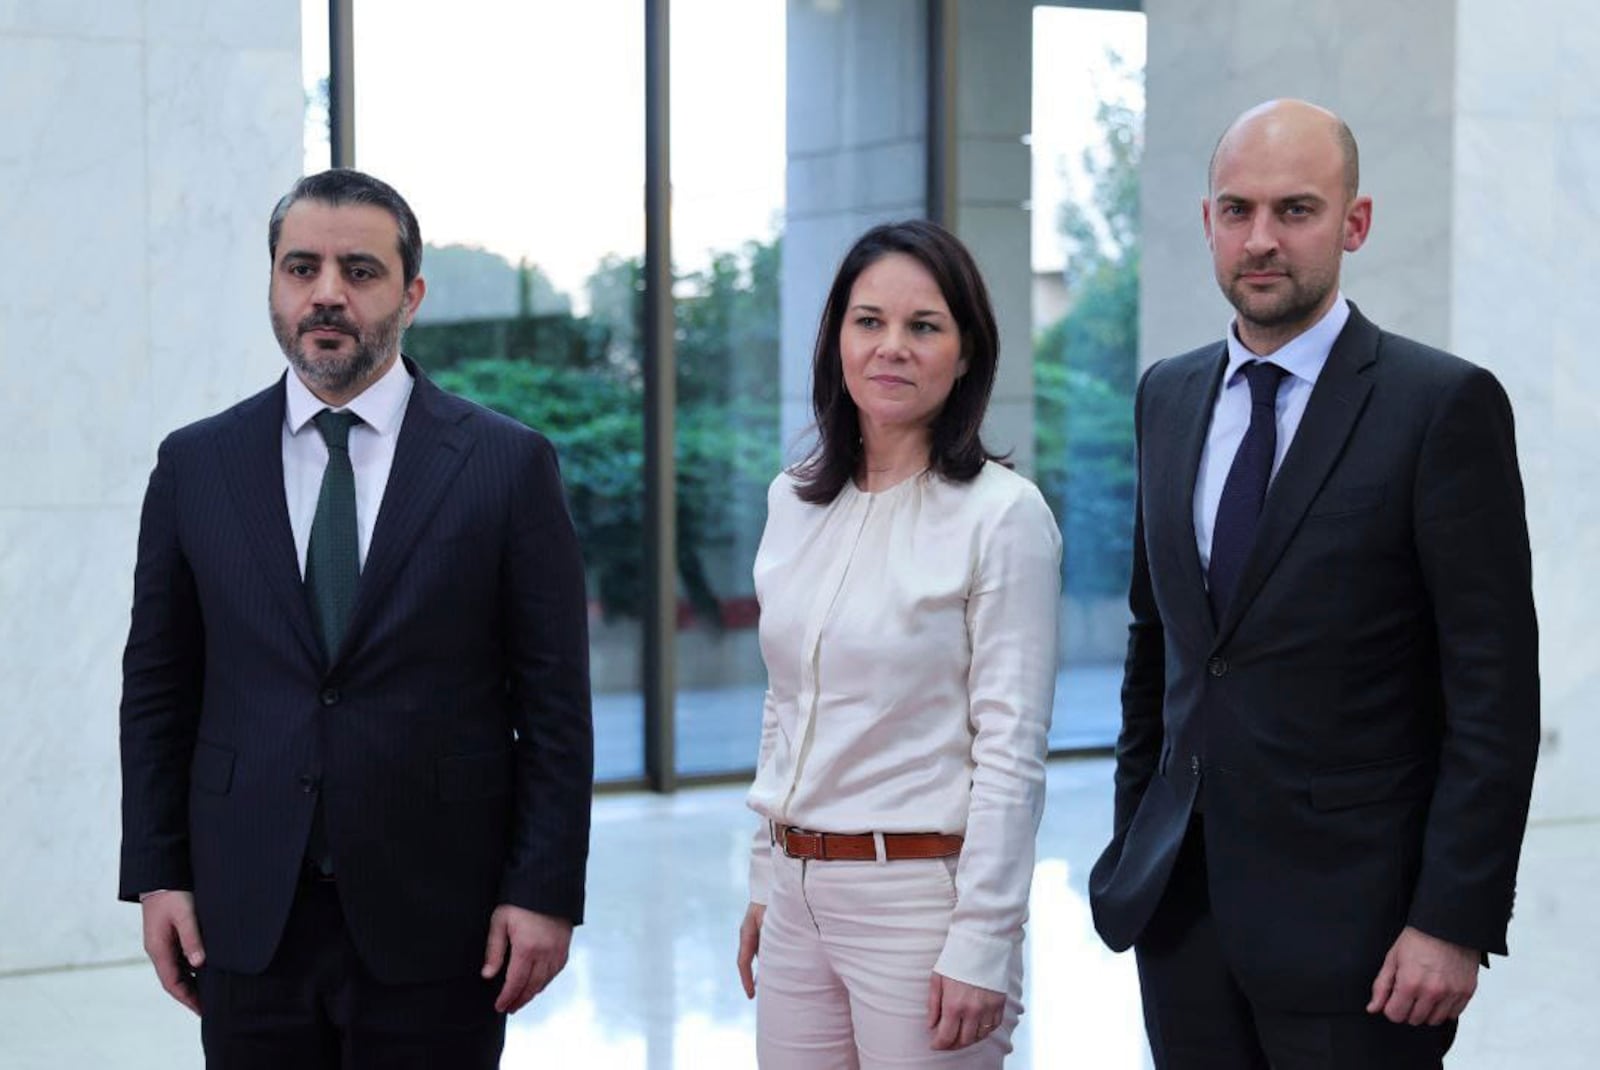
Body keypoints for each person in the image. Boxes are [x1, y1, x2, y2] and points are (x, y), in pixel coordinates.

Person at [1088, 99, 1540, 1069]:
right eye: (1236, 209)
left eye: (1294, 209)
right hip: (1179, 912)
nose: (1261, 238)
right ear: (1206, 220)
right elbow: (1156, 642)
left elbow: (1493, 693)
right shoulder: (1165, 396)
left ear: (1354, 222)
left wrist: (1451, 918)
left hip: (1365, 937)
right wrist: (1132, 840)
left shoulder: (1440, 406)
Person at [118, 168, 593, 1067]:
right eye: (301, 268)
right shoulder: (195, 465)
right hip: (246, 911)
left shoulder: (506, 466)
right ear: (273, 285)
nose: (327, 293)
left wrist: (543, 890)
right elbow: (157, 689)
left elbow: (557, 704)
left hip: (441, 918)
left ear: (410, 294)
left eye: (360, 271)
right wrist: (156, 873)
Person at [734, 220, 1063, 1067]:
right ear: (836, 338)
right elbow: (788, 703)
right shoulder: (793, 502)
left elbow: (1012, 748)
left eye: (925, 326)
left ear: (965, 354)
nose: (893, 348)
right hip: (799, 892)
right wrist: (768, 876)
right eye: (869, 320)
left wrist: (983, 939)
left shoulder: (1003, 515)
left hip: (920, 901)